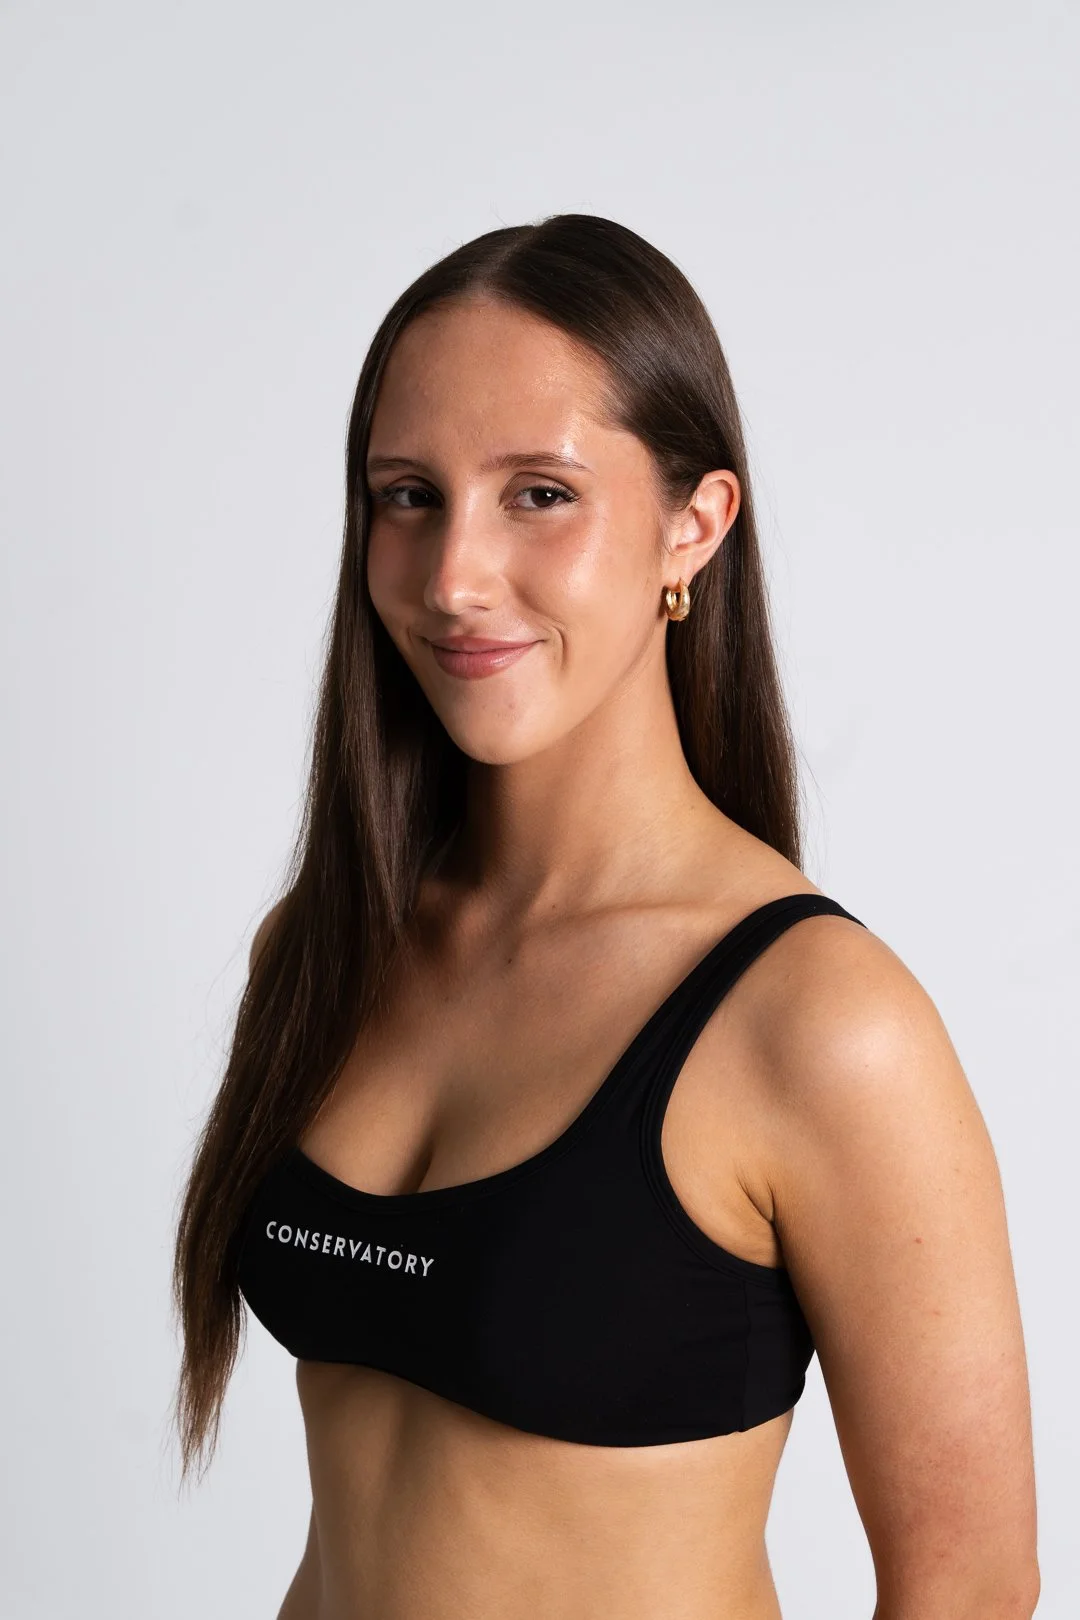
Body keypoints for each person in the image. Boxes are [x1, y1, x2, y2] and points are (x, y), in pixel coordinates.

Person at [171, 214, 1039, 1620]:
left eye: (537, 494)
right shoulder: (324, 950)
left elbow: (972, 1590)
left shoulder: (818, 1026)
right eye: (408, 495)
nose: (453, 575)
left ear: (691, 526)